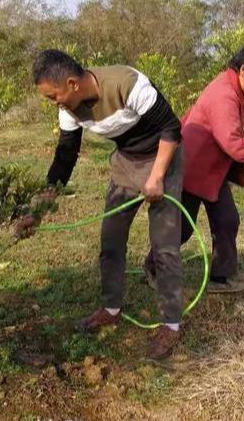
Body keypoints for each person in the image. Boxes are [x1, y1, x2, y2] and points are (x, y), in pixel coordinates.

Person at [28, 50, 184, 361]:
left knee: (165, 247)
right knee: (111, 240)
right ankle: (111, 308)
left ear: (71, 83)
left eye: (53, 95)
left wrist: (156, 178)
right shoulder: (69, 110)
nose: (54, 103)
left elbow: (172, 129)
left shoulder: (129, 85)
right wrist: (41, 204)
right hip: (125, 162)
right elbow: (65, 156)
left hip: (163, 160)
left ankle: (170, 325)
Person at [144, 42, 244, 293]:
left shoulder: (230, 86)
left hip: (211, 170)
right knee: (182, 228)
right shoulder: (225, 94)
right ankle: (153, 266)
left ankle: (222, 277)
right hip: (194, 168)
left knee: (226, 220)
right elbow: (231, 142)